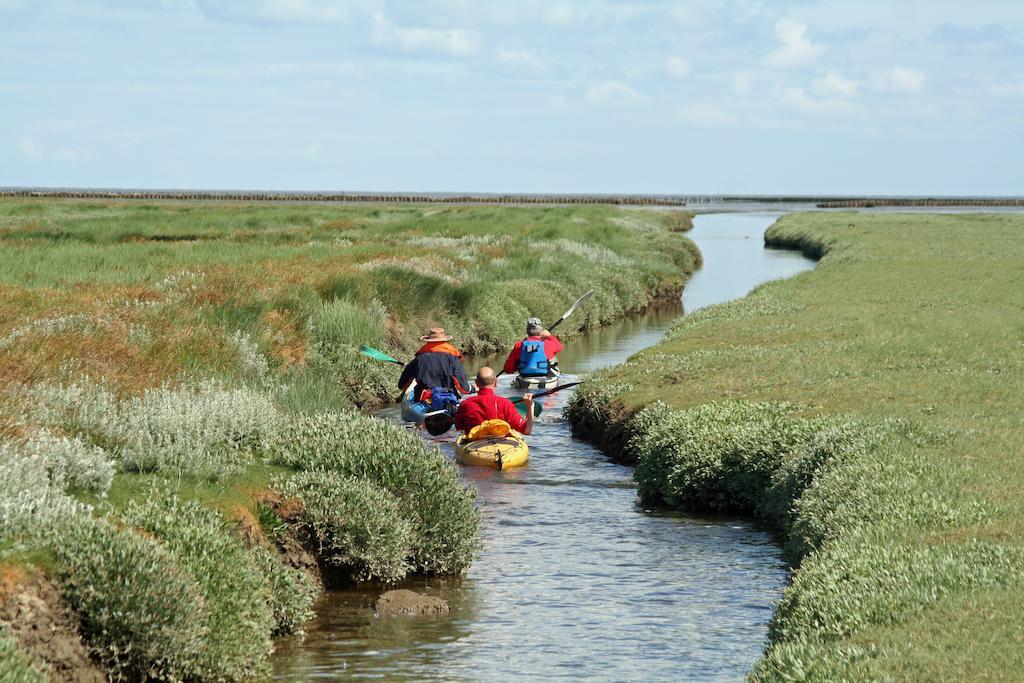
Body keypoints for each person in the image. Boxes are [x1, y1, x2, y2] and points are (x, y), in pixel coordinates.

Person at [398, 326, 473, 402]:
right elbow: (464, 389)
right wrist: (472, 389)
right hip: (447, 397)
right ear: (445, 341)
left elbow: (402, 385)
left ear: (428, 341)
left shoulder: (418, 359)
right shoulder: (453, 359)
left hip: (423, 398)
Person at [454, 367, 534, 435]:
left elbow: (459, 428)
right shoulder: (505, 403)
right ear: (495, 382)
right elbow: (526, 430)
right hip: (502, 446)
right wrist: (529, 406)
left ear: (476, 383)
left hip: (475, 446)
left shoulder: (465, 404)